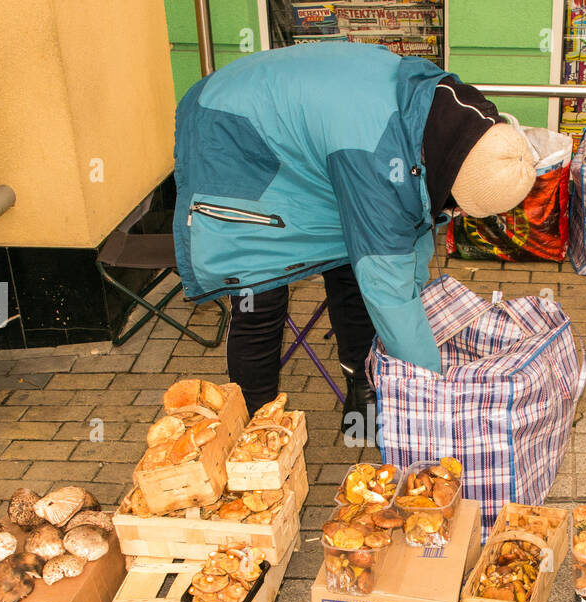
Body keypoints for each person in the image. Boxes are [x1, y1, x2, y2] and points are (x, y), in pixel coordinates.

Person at [172, 42, 536, 431]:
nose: (455, 213)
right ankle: (250, 434)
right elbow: (389, 289)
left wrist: (416, 299)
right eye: (457, 204)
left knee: (352, 264)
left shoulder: (446, 114)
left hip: (307, 139)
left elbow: (407, 230)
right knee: (257, 295)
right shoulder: (377, 153)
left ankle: (364, 399)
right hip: (228, 131)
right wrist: (435, 391)